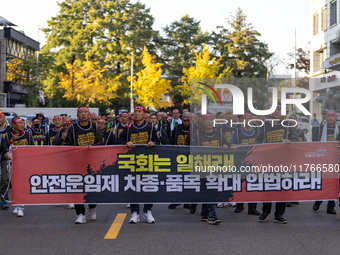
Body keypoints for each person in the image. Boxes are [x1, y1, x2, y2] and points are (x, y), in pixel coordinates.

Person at [255, 106, 298, 224]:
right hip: (268, 160)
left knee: (282, 188)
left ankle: (279, 214)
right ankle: (265, 211)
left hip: (284, 161)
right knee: (268, 187)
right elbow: (258, 139)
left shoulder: (288, 124)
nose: (277, 112)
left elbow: (295, 139)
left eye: (279, 110)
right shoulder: (266, 124)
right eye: (274, 110)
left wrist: (291, 142)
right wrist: (261, 147)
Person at [118, 106, 160, 224]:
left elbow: (159, 141)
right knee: (133, 187)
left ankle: (148, 211)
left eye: (139, 112)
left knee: (148, 187)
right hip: (132, 161)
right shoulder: (128, 127)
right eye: (135, 112)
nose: (136, 114)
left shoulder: (150, 127)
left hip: (148, 161)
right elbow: (118, 141)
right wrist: (126, 142)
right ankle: (135, 212)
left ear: (144, 114)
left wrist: (153, 143)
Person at [64, 106, 103, 224]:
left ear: (89, 115)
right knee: (77, 188)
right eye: (80, 112)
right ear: (77, 116)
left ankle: (92, 207)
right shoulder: (73, 128)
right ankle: (80, 214)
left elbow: (100, 142)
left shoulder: (95, 127)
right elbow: (68, 145)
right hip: (77, 162)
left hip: (93, 162)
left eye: (85, 112)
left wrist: (93, 147)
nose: (83, 114)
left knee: (92, 187)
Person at [191, 114, 229, 225]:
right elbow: (192, 148)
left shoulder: (219, 134)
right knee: (205, 190)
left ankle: (213, 215)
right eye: (207, 119)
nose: (209, 122)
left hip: (216, 166)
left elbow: (227, 144)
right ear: (203, 122)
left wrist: (226, 146)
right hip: (202, 166)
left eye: (211, 120)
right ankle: (205, 212)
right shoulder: (198, 134)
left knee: (213, 190)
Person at [229, 113, 260, 215]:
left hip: (254, 161)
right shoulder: (238, 132)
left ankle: (252, 207)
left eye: (249, 118)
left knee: (253, 184)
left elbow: (263, 144)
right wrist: (240, 145)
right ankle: (239, 205)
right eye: (245, 118)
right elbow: (231, 145)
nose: (247, 120)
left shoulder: (257, 131)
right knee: (240, 183)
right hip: (240, 160)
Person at [6, 117, 35, 217]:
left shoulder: (28, 134)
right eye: (19, 123)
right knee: (14, 184)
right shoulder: (8, 134)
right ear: (13, 126)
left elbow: (32, 147)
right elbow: (3, 147)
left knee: (22, 184)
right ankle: (16, 203)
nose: (22, 125)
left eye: (23, 123)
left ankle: (20, 207)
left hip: (24, 163)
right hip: (11, 163)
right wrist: (11, 140)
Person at [312, 110, 339, 214]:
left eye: (332, 116)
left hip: (335, 160)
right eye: (329, 116)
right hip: (322, 159)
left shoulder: (339, 129)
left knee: (333, 183)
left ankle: (330, 206)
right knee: (322, 181)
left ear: (336, 118)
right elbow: (313, 144)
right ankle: (317, 202)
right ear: (325, 117)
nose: (330, 118)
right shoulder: (319, 129)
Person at [168, 112, 191, 210]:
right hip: (178, 156)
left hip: (190, 157)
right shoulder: (177, 127)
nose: (186, 123)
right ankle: (176, 200)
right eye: (184, 120)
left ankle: (187, 202)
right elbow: (172, 140)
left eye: (188, 121)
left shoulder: (193, 129)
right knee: (177, 179)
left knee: (188, 180)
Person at [0, 111, 12, 209]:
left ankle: (3, 200)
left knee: (4, 179)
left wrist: (10, 157)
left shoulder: (0, 137)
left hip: (2, 160)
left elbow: (5, 150)